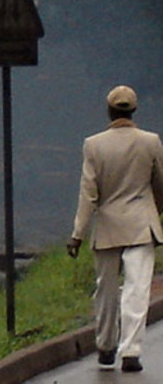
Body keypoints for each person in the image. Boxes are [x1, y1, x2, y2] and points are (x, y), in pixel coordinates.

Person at [67, 85, 163, 373]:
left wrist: (77, 234)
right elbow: (161, 184)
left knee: (106, 290)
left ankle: (106, 345)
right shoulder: (151, 142)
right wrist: (154, 211)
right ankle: (131, 351)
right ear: (133, 110)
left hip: (108, 227)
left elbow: (89, 195)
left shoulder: (94, 145)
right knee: (137, 289)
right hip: (141, 226)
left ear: (109, 111)